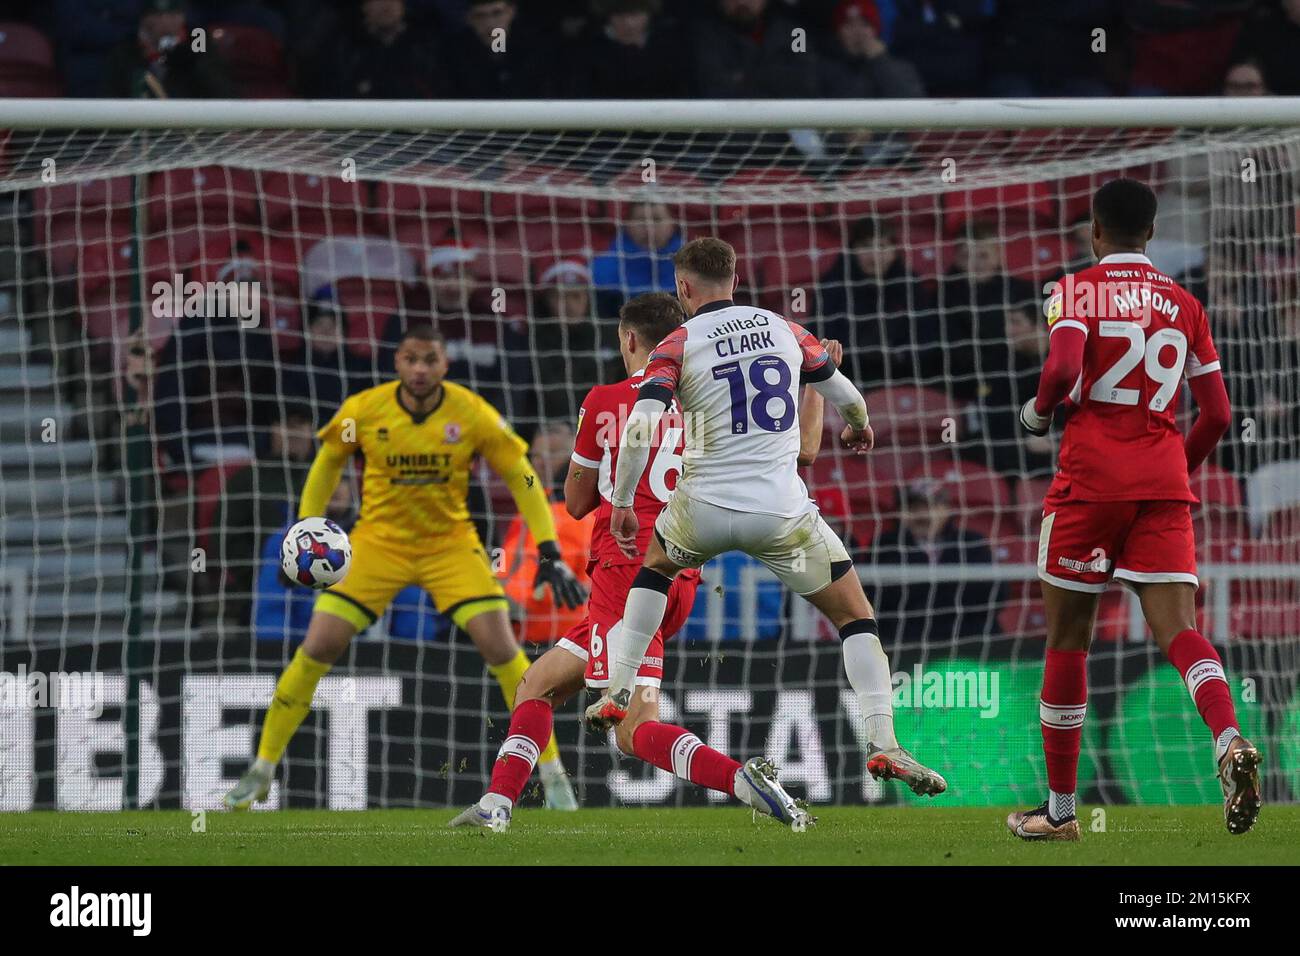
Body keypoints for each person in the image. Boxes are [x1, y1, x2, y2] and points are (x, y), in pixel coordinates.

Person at [449, 293, 836, 832]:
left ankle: (742, 781)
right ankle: (497, 805)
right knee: (537, 684)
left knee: (633, 731)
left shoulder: (606, 399)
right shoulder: (708, 403)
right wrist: (815, 382)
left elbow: (579, 503)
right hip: (679, 571)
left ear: (629, 339)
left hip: (623, 573)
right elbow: (806, 455)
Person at [583, 238, 947, 800]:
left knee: (654, 569)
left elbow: (640, 426)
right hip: (781, 511)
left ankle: (618, 690)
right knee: (856, 617)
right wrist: (858, 425)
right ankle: (884, 742)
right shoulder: (784, 328)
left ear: (683, 289)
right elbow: (843, 391)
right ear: (737, 277)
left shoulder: (677, 342)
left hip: (701, 509)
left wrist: (626, 501)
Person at [224, 326, 588, 812]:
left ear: (444, 364)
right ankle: (262, 769)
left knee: (503, 649)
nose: (420, 370)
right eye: (411, 360)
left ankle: (552, 774)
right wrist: (307, 525)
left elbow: (521, 477)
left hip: (450, 547)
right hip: (378, 545)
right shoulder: (364, 410)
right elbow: (327, 462)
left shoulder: (471, 412)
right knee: (318, 645)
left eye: (430, 360)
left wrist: (548, 550)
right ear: (398, 362)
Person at [1010, 178, 1258, 840]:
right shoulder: (1186, 304)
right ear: (1150, 234)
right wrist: (1178, 466)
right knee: (1181, 632)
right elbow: (1220, 414)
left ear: (1095, 231)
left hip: (1090, 484)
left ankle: (1061, 814)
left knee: (1068, 641)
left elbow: (1062, 373)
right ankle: (1228, 739)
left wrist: (1037, 414)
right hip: (1162, 484)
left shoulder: (1076, 288)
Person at [213, 404, 317, 625]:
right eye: (287, 425)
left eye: (302, 425)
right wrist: (258, 575)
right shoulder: (248, 479)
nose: (295, 433)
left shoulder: (326, 474)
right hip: (264, 588)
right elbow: (226, 538)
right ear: (273, 430)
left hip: (324, 587)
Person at [870, 476, 1002, 647]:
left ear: (947, 510)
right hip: (905, 639)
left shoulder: (972, 543)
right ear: (901, 512)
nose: (924, 514)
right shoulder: (885, 544)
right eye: (915, 508)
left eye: (932, 506)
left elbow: (994, 595)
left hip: (967, 636)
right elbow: (882, 599)